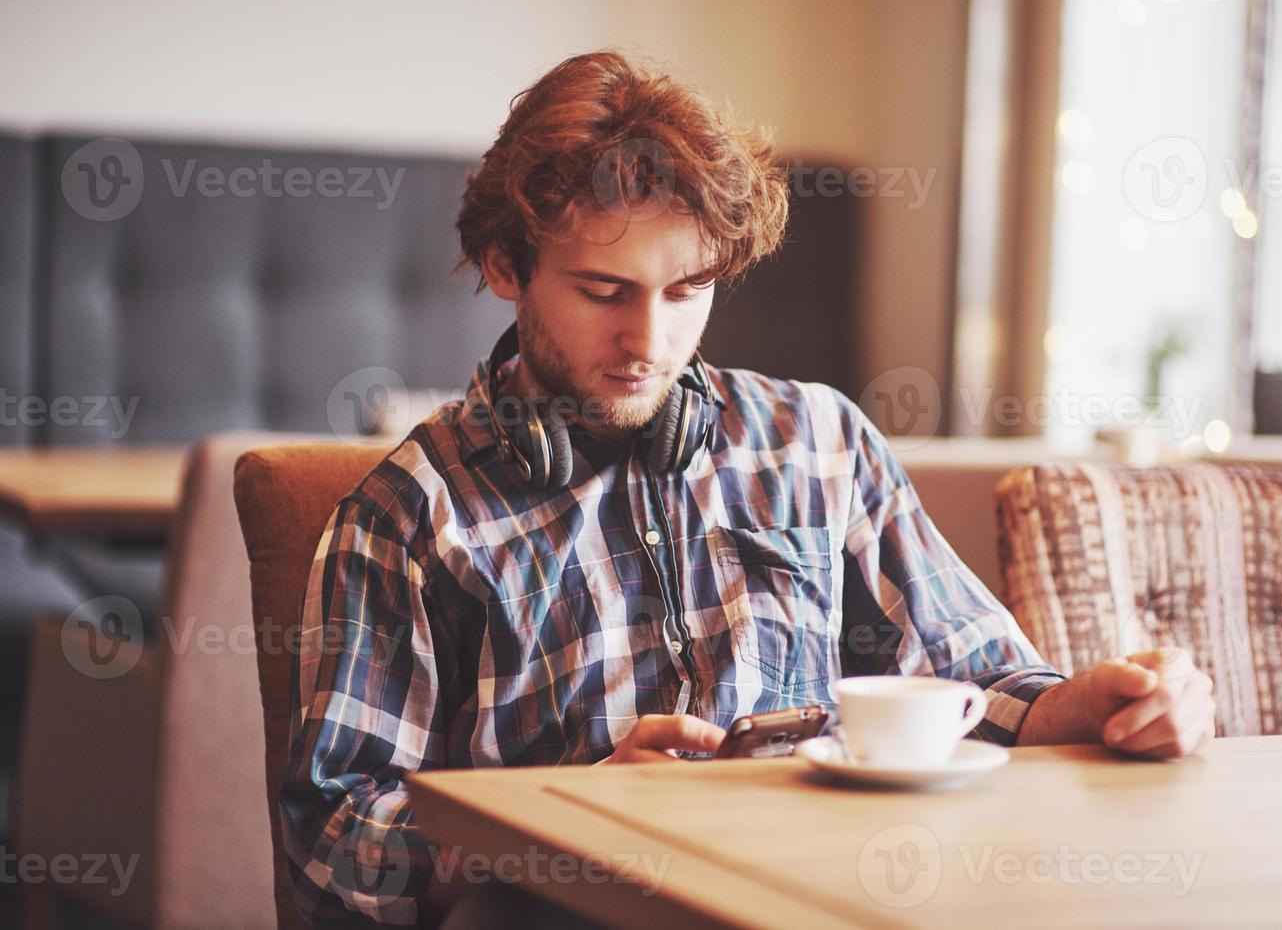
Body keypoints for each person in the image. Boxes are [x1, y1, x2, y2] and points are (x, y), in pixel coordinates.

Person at [282, 50, 1217, 928]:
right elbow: (334, 843)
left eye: (686, 290)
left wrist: (1096, 704)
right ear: (504, 267)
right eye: (605, 292)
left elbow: (978, 683)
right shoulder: (404, 515)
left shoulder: (821, 442)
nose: (648, 341)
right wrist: (572, 817)